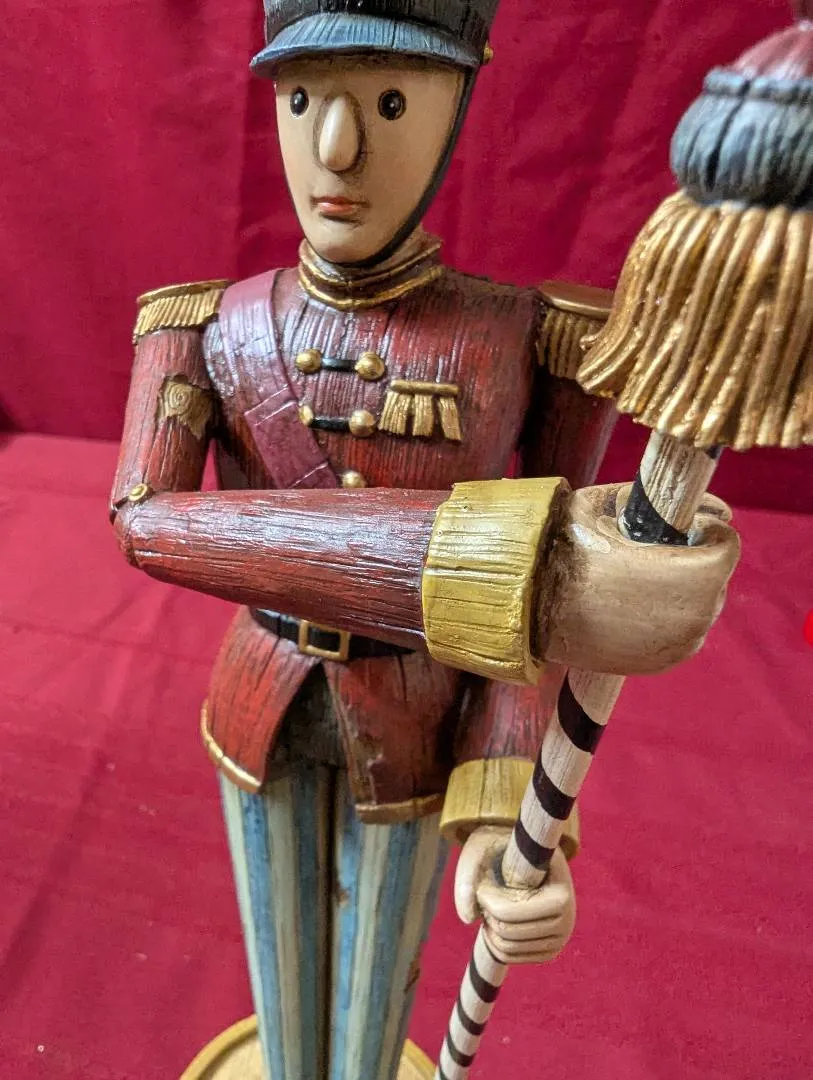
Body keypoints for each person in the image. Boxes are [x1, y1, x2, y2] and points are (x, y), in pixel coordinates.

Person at [110, 3, 739, 1077]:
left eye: (390, 102)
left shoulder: (522, 337)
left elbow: (539, 635)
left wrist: (509, 816)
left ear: (459, 106)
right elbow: (144, 520)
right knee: (278, 966)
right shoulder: (200, 327)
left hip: (417, 709)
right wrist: (514, 567)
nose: (336, 147)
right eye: (303, 99)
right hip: (261, 694)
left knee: (374, 995)